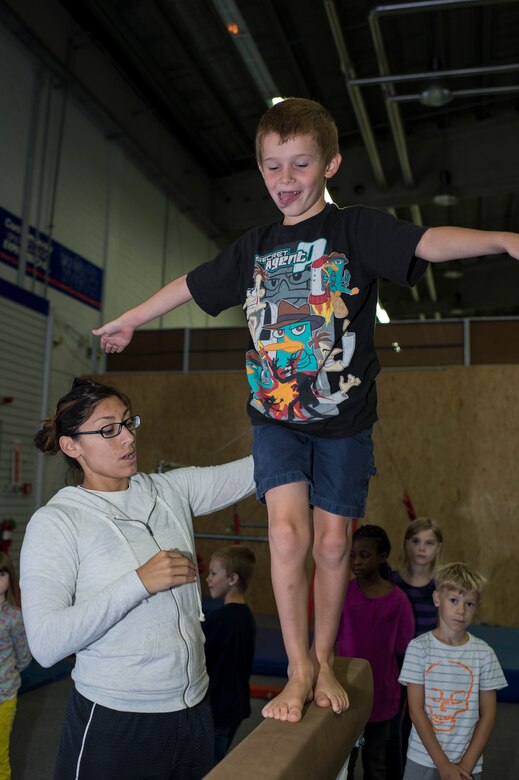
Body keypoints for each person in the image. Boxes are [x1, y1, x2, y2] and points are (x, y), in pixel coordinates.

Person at [92, 97, 519, 723]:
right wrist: (130, 320)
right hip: (276, 416)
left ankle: (321, 659)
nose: (285, 181)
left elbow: (428, 242)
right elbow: (192, 282)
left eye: (299, 165)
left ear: (330, 165)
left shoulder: (356, 231)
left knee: (331, 545)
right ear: (260, 170)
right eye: (272, 168)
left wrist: (504, 240)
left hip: (344, 421)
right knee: (287, 534)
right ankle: (297, 669)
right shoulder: (254, 246)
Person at [19, 377, 255, 780]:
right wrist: (139, 582)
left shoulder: (169, 491)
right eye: (109, 430)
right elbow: (45, 643)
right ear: (71, 446)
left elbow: (258, 471)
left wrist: (297, 410)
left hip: (194, 708)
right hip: (116, 718)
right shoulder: (57, 522)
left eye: (129, 424)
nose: (128, 438)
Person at [399, 562, 507, 780]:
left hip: (468, 762)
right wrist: (443, 764)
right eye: (454, 601)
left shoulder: (484, 654)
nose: (461, 610)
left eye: (469, 604)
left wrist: (466, 764)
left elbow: (488, 715)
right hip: (423, 758)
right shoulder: (419, 649)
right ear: (437, 599)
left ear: (477, 607)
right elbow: (415, 710)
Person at [336, 525, 415, 780]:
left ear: (382, 556)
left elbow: (404, 645)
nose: (356, 561)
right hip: (346, 691)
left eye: (364, 555)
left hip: (382, 694)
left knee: (375, 762)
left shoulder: (398, 600)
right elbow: (330, 638)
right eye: (352, 555)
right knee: (344, 762)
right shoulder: (343, 593)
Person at [389, 517, 444, 777]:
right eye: (416, 541)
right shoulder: (391, 582)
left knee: (417, 724)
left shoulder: (440, 588)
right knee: (391, 724)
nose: (422, 548)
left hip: (427, 668)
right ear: (406, 544)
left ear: (438, 548)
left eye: (429, 543)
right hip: (394, 663)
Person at [203, 545, 256, 763]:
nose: (208, 579)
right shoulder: (247, 617)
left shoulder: (218, 620)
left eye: (214, 573)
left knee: (208, 768)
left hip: (218, 709)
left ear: (232, 579)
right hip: (235, 705)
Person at [0, 552, 32, 780]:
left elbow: (23, 656)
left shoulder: (14, 617)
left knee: (0, 755)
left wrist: (7, 676)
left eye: (0, 574)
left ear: (10, 577)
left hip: (4, 697)